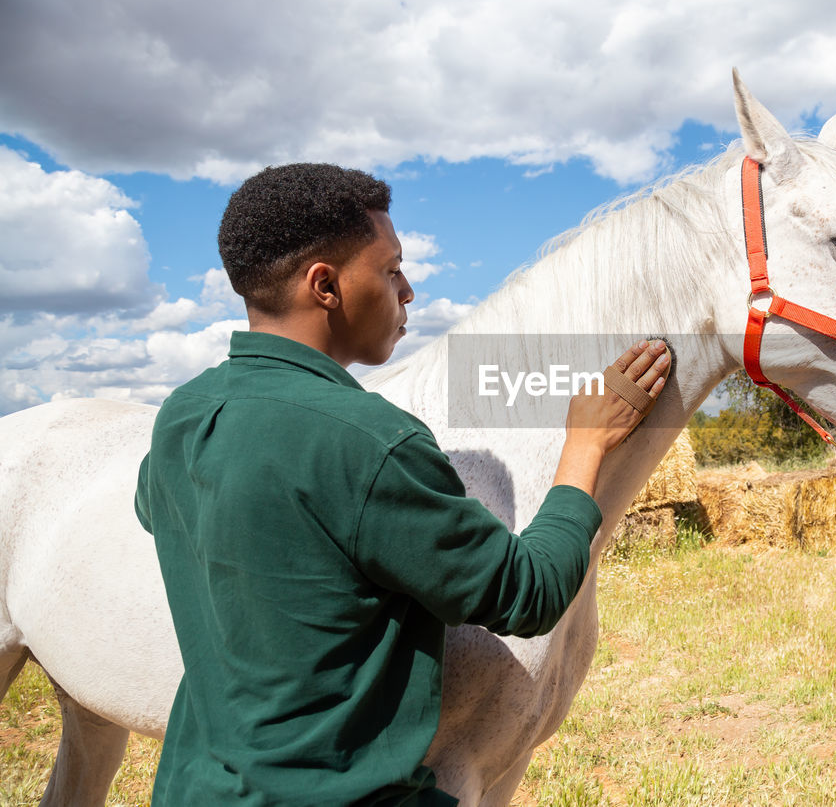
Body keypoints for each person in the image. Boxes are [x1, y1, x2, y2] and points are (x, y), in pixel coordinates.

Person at [135, 163, 668, 805]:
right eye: (390, 270)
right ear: (325, 286)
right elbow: (528, 594)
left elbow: (154, 507)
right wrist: (586, 442)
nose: (408, 290)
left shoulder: (183, 414)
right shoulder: (370, 442)